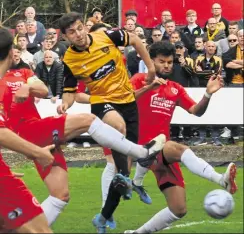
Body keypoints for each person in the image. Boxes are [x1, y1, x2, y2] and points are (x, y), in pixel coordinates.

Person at [4, 36, 163, 229]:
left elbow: (44, 89)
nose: (14, 53)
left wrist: (27, 86)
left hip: (37, 131)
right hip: (26, 131)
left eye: (15, 51)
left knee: (60, 196)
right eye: (10, 51)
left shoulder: (24, 72)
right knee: (87, 121)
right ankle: (141, 153)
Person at [57, 12, 158, 233]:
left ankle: (103, 217)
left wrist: (150, 67)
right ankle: (128, 174)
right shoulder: (69, 61)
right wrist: (65, 104)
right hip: (102, 103)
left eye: (80, 28)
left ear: (85, 26)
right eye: (71, 32)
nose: (78, 34)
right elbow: (69, 92)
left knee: (123, 175)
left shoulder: (106, 36)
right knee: (118, 127)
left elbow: (135, 39)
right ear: (65, 37)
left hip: (128, 100)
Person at [124, 41, 237, 233]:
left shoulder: (175, 88)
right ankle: (220, 180)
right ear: (152, 61)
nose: (167, 66)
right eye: (162, 62)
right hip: (144, 147)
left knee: (178, 209)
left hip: (163, 154)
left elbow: (196, 111)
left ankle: (137, 233)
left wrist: (208, 95)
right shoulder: (140, 79)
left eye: (170, 62)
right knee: (180, 148)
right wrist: (148, 87)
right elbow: (123, 100)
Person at [0, 27, 54, 233]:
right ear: (9, 54)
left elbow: (43, 89)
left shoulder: (23, 74)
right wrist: (39, 152)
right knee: (40, 230)